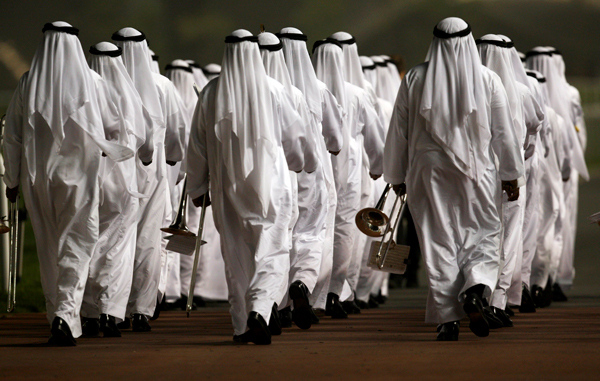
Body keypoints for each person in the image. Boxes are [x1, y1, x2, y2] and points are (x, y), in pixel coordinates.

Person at [383, 17, 524, 341]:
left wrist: (395, 174)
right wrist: (511, 174)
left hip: (427, 173)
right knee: (484, 235)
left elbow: (398, 131)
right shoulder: (488, 80)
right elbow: (504, 133)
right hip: (476, 173)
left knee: (438, 242)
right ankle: (475, 288)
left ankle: (448, 320)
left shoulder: (414, 78)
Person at [2, 22, 134, 345]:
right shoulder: (94, 82)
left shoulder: (27, 84)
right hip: (80, 181)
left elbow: (12, 136)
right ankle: (64, 314)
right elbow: (116, 128)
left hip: (38, 182)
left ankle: (57, 316)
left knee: (49, 249)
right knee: (77, 245)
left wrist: (11, 180)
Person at [186, 29, 305, 345]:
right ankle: (259, 309)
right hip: (271, 185)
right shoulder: (275, 89)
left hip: (227, 189)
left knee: (236, 255)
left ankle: (241, 326)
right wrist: (299, 163)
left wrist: (197, 188)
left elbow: (197, 146)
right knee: (273, 249)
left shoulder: (210, 93)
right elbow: (296, 140)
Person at [112, 27, 185, 332]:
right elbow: (179, 133)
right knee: (149, 240)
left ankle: (109, 308)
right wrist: (171, 160)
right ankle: (142, 309)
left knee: (113, 240)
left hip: (114, 172)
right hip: (153, 175)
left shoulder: (104, 83)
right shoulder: (163, 85)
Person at [81, 42, 149, 338]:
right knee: (118, 249)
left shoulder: (83, 88)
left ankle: (88, 313)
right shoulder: (127, 93)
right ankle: (110, 312)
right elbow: (144, 136)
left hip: (88, 179)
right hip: (122, 182)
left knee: (88, 244)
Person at [312, 37, 384, 318]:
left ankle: (306, 290)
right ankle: (334, 293)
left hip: (314, 169)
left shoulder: (303, 90)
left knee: (311, 230)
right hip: (349, 169)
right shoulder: (357, 92)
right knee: (344, 230)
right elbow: (376, 139)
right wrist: (378, 165)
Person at [477, 34, 543, 326]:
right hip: (511, 174)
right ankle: (499, 300)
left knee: (476, 236)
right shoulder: (521, 91)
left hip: (475, 174)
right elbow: (533, 132)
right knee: (509, 236)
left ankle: (477, 291)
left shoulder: (469, 88)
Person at [278, 27, 344, 316]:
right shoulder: (318, 89)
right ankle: (302, 283)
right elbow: (337, 140)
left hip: (278, 171)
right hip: (312, 173)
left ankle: (277, 305)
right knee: (310, 232)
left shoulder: (267, 89)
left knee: (278, 235)